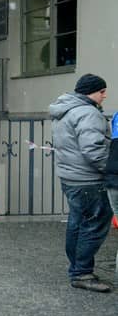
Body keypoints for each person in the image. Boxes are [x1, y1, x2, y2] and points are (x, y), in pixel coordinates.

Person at [48, 73, 112, 293]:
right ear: (90, 92)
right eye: (102, 91)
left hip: (71, 178)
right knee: (95, 224)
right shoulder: (88, 113)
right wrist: (111, 169)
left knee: (77, 223)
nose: (104, 95)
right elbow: (93, 150)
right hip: (88, 180)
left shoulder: (65, 110)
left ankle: (77, 268)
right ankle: (82, 273)